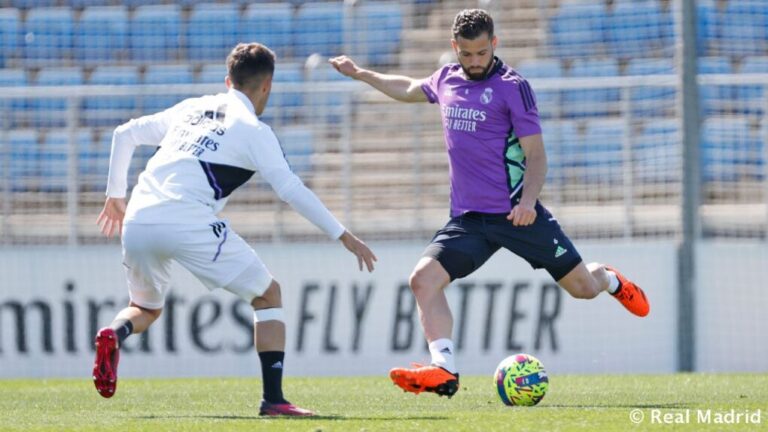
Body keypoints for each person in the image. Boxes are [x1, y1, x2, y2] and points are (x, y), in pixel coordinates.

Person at [329, 9, 649, 398]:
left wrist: (528, 202)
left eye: (482, 52)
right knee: (422, 279)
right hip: (468, 219)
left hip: (517, 214)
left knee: (582, 287)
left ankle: (609, 278)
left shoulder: (513, 87)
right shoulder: (446, 79)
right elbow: (409, 88)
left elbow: (537, 156)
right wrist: (360, 73)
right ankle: (444, 369)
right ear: (455, 48)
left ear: (494, 44)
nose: (475, 60)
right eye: (467, 54)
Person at [94, 42, 377, 416]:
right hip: (186, 220)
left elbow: (124, 133)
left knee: (143, 307)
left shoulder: (191, 108)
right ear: (267, 86)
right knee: (267, 295)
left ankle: (114, 333)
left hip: (137, 219)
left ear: (228, 81)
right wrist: (343, 235)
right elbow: (291, 189)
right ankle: (274, 400)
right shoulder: (254, 130)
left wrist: (115, 194)